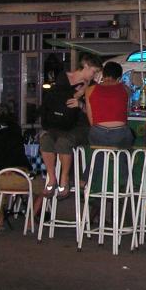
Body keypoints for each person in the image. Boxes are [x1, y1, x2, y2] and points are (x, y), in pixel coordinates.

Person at [39, 53, 102, 198]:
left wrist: (80, 104)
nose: (94, 76)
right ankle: (51, 178)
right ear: (85, 65)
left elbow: (94, 112)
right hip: (60, 124)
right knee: (45, 140)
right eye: (93, 71)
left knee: (63, 142)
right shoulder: (62, 78)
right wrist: (76, 95)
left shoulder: (92, 87)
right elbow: (55, 100)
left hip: (80, 127)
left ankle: (64, 179)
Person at [0, 102, 43, 227]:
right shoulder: (16, 128)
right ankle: (30, 219)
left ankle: (0, 218)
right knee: (46, 187)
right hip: (23, 177)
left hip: (1, 179)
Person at [85, 61, 132, 149]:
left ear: (103, 74)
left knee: (99, 157)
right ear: (119, 78)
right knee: (126, 145)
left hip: (98, 132)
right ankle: (122, 161)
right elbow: (127, 111)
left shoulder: (90, 90)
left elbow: (90, 118)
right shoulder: (126, 89)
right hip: (120, 133)